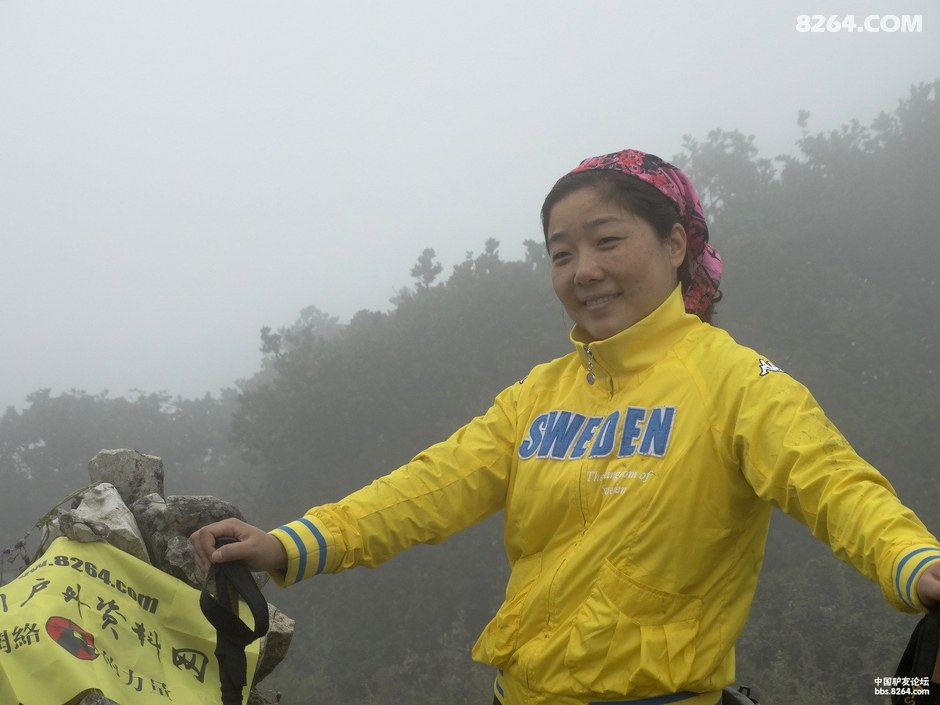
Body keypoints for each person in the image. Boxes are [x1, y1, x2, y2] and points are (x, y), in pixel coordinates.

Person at [191, 149, 940, 705]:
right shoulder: (539, 397)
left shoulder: (737, 382)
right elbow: (427, 489)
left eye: (607, 240)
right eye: (561, 252)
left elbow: (834, 481)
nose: (583, 270)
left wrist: (914, 561)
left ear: (676, 245)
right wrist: (289, 543)